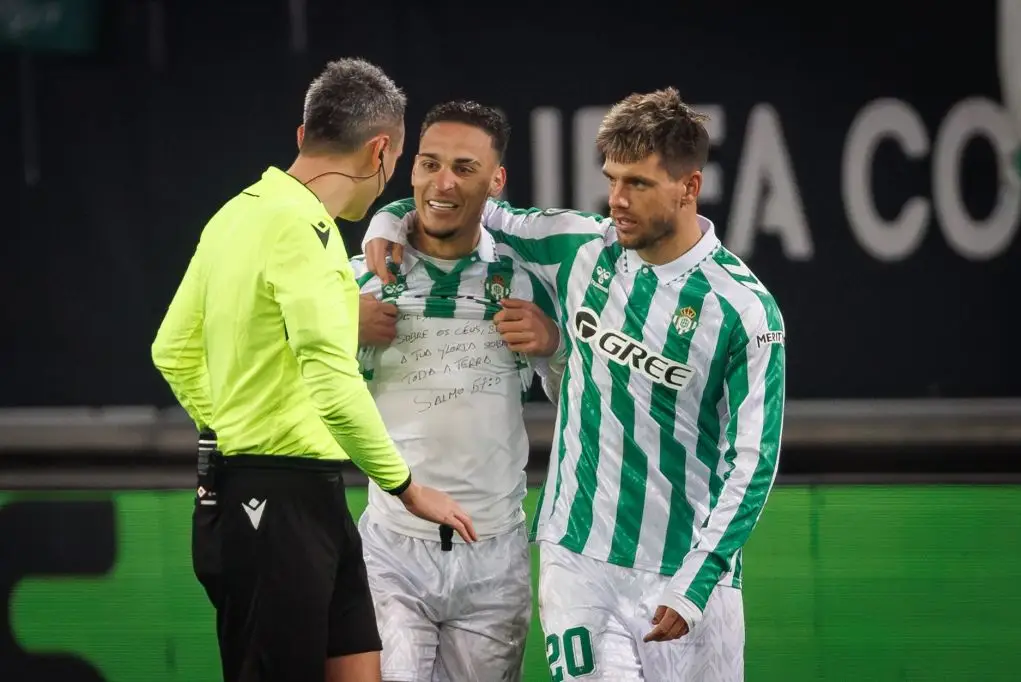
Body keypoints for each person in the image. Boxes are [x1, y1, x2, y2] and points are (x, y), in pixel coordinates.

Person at [361, 87, 786, 682]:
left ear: (689, 187)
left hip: (687, 571)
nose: (617, 200)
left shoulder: (745, 311)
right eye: (612, 180)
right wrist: (384, 220)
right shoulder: (582, 245)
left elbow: (753, 461)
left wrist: (703, 573)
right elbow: (462, 199)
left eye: (638, 183)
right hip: (577, 558)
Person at [151, 58, 476, 682]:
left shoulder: (234, 215)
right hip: (277, 503)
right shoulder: (305, 231)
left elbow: (173, 349)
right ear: (379, 151)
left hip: (300, 494)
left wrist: (232, 424)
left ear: (304, 136)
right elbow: (332, 382)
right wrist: (407, 488)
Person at [352, 100, 564, 682]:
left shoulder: (526, 281)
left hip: (494, 556)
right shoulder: (361, 279)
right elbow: (299, 381)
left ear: (496, 181)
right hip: (392, 549)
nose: (443, 183)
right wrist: (336, 326)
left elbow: (579, 400)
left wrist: (554, 346)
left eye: (465, 168)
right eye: (430, 164)